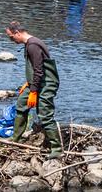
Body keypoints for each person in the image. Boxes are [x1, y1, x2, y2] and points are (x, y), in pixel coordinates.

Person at [7, 21, 61, 149]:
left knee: (45, 114)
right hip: (37, 83)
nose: (11, 40)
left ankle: (57, 148)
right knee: (21, 103)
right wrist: (28, 83)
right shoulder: (29, 44)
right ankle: (15, 139)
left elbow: (39, 70)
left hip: (46, 84)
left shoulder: (33, 45)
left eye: (11, 37)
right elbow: (35, 69)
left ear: (17, 33)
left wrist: (33, 91)